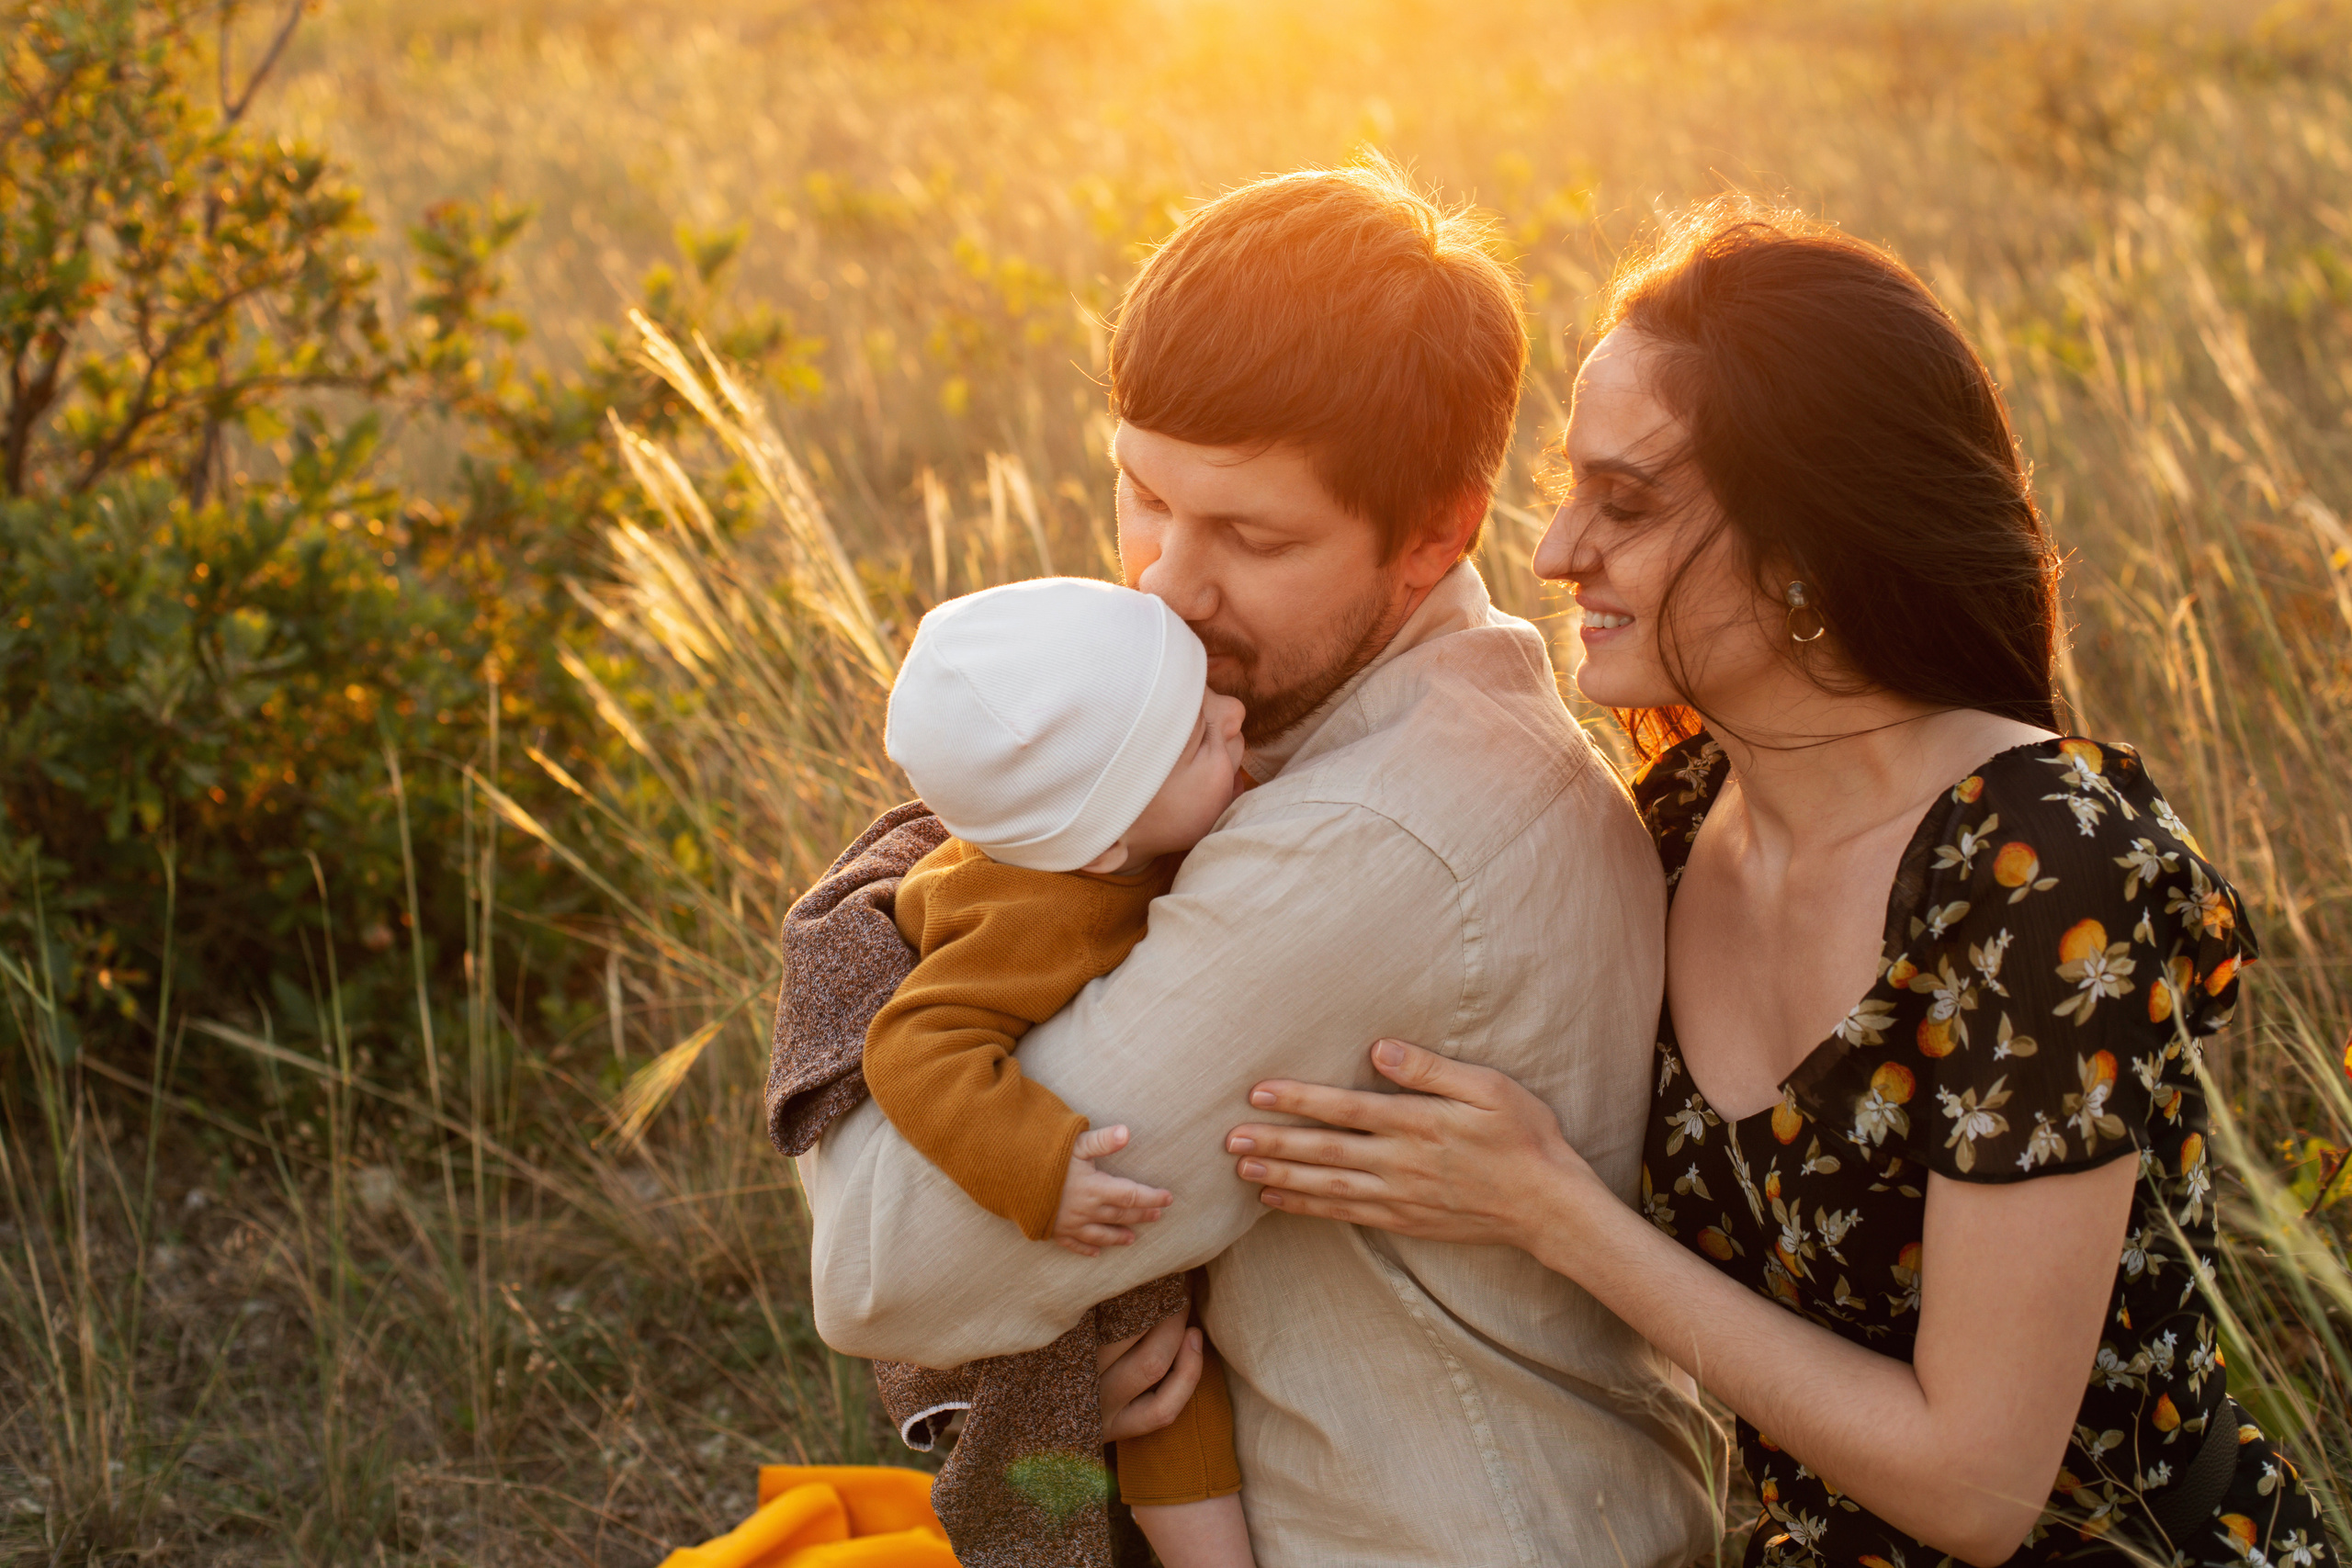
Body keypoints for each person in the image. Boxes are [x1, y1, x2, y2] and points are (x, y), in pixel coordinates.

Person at [1223, 201, 2336, 1568]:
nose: (1557, 550)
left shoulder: (2040, 866)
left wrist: (1551, 1209)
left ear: (1808, 543)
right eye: (1569, 488)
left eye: (1625, 503)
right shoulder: (1680, 823)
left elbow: (1979, 1485)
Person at [784, 162, 1722, 1567]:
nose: (1166, 581)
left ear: (1436, 535)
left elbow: (882, 1267)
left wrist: (859, 940)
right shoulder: (1328, 703)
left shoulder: (1368, 845)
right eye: (1144, 493)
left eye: (1254, 535)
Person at [791, 574, 1256, 1568]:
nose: (1234, 714)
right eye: (1195, 740)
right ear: (1106, 847)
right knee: (1169, 1372)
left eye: (1208, 692)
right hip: (1034, 1253)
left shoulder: (1112, 836)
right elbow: (913, 1046)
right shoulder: (1031, 920)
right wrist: (1040, 1171)